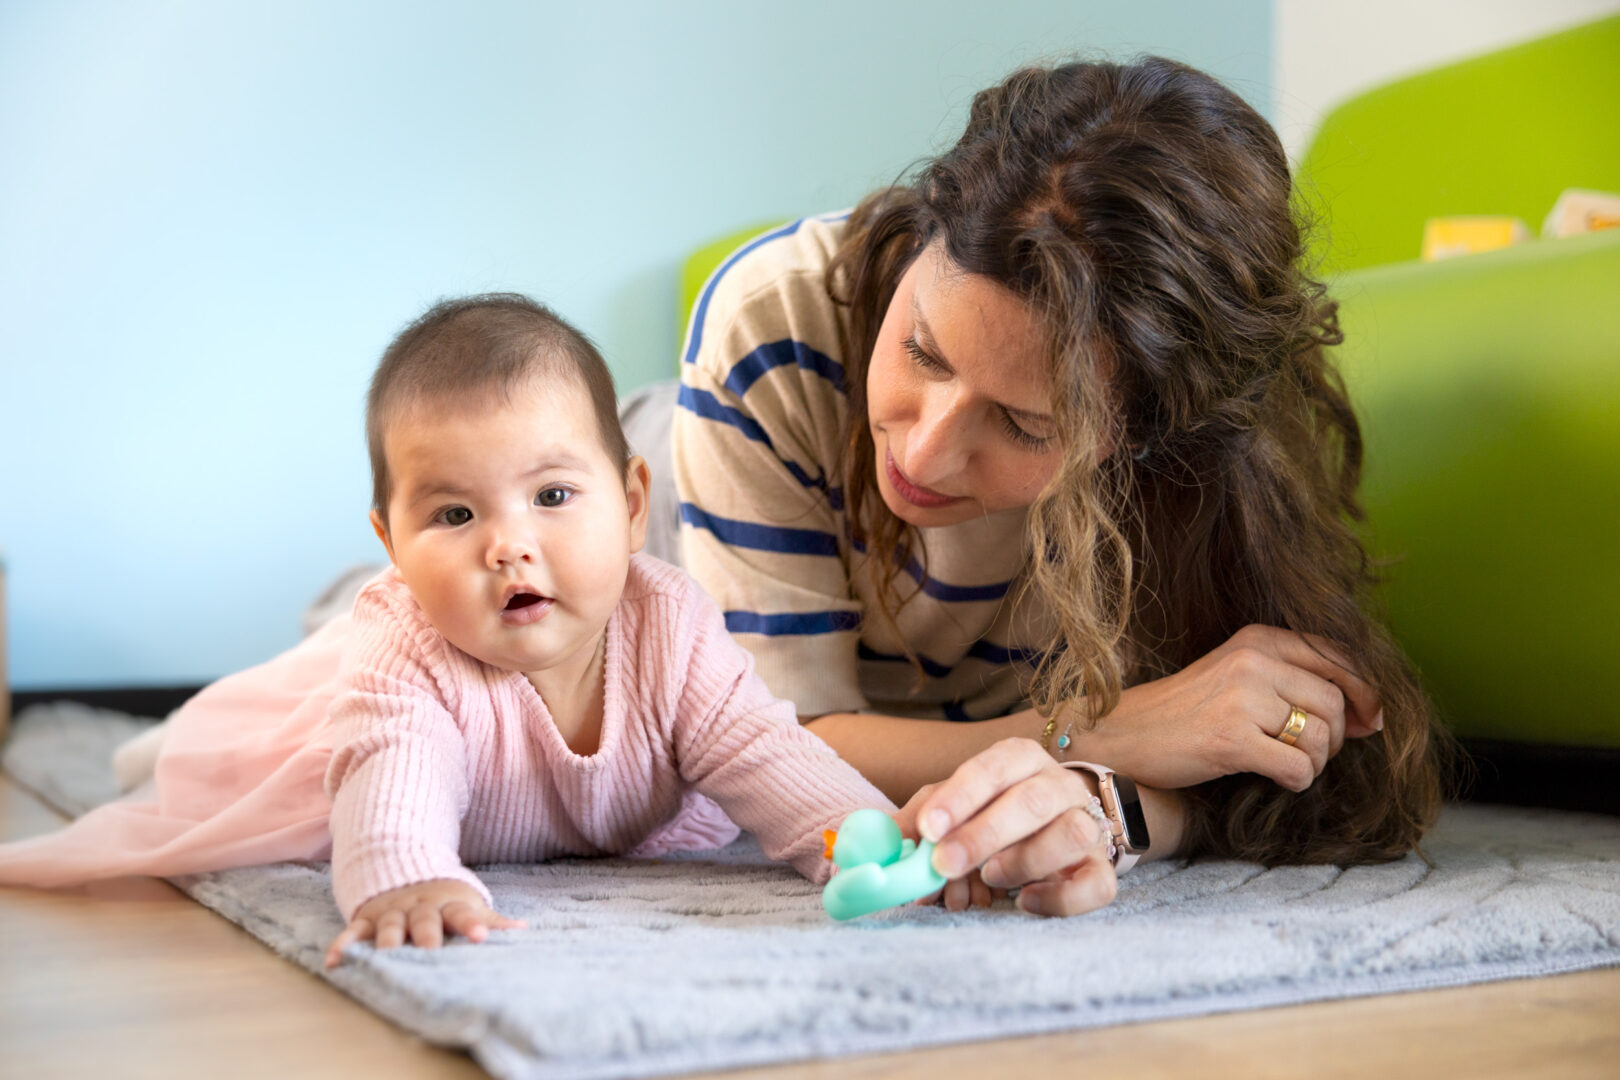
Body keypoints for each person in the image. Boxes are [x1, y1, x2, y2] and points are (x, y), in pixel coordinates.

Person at [667, 56, 1447, 917]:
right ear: (922, 235)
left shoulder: (1192, 463)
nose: (923, 456)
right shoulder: (770, 321)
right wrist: (1113, 729)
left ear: (1145, 438)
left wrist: (1110, 805)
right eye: (922, 352)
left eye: (1025, 426)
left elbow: (1300, 773)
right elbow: (769, 746)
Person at [0, 295, 901, 964]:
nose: (510, 546)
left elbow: (766, 755)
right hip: (340, 721)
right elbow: (393, 774)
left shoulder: (671, 624)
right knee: (218, 756)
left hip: (604, 810)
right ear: (391, 543)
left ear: (630, 506)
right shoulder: (406, 649)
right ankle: (161, 743)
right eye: (455, 515)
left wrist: (870, 837)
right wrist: (402, 873)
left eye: (553, 497)